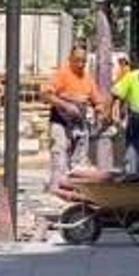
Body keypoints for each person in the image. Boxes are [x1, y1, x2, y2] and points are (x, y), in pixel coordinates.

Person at [41, 46, 107, 187]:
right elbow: (45, 94)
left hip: (80, 123)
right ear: (70, 59)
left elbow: (97, 101)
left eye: (83, 61)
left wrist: (99, 112)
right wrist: (65, 105)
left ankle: (75, 189)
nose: (80, 64)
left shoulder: (87, 78)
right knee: (60, 156)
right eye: (77, 61)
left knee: (79, 161)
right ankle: (57, 188)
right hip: (60, 122)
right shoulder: (62, 74)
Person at [110, 53, 139, 173]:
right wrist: (113, 113)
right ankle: (131, 172)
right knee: (133, 152)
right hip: (137, 119)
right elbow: (115, 94)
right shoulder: (132, 76)